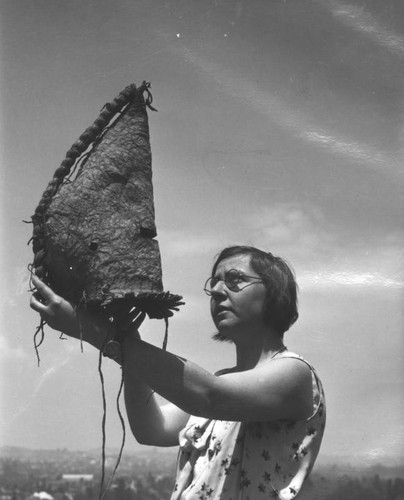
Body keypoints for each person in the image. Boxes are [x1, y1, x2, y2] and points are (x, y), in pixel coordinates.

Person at [30, 245, 326, 500]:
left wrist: (96, 332)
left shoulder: (295, 374)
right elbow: (151, 428)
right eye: (215, 282)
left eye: (235, 280)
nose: (218, 290)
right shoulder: (223, 382)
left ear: (274, 294)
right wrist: (129, 344)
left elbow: (209, 396)